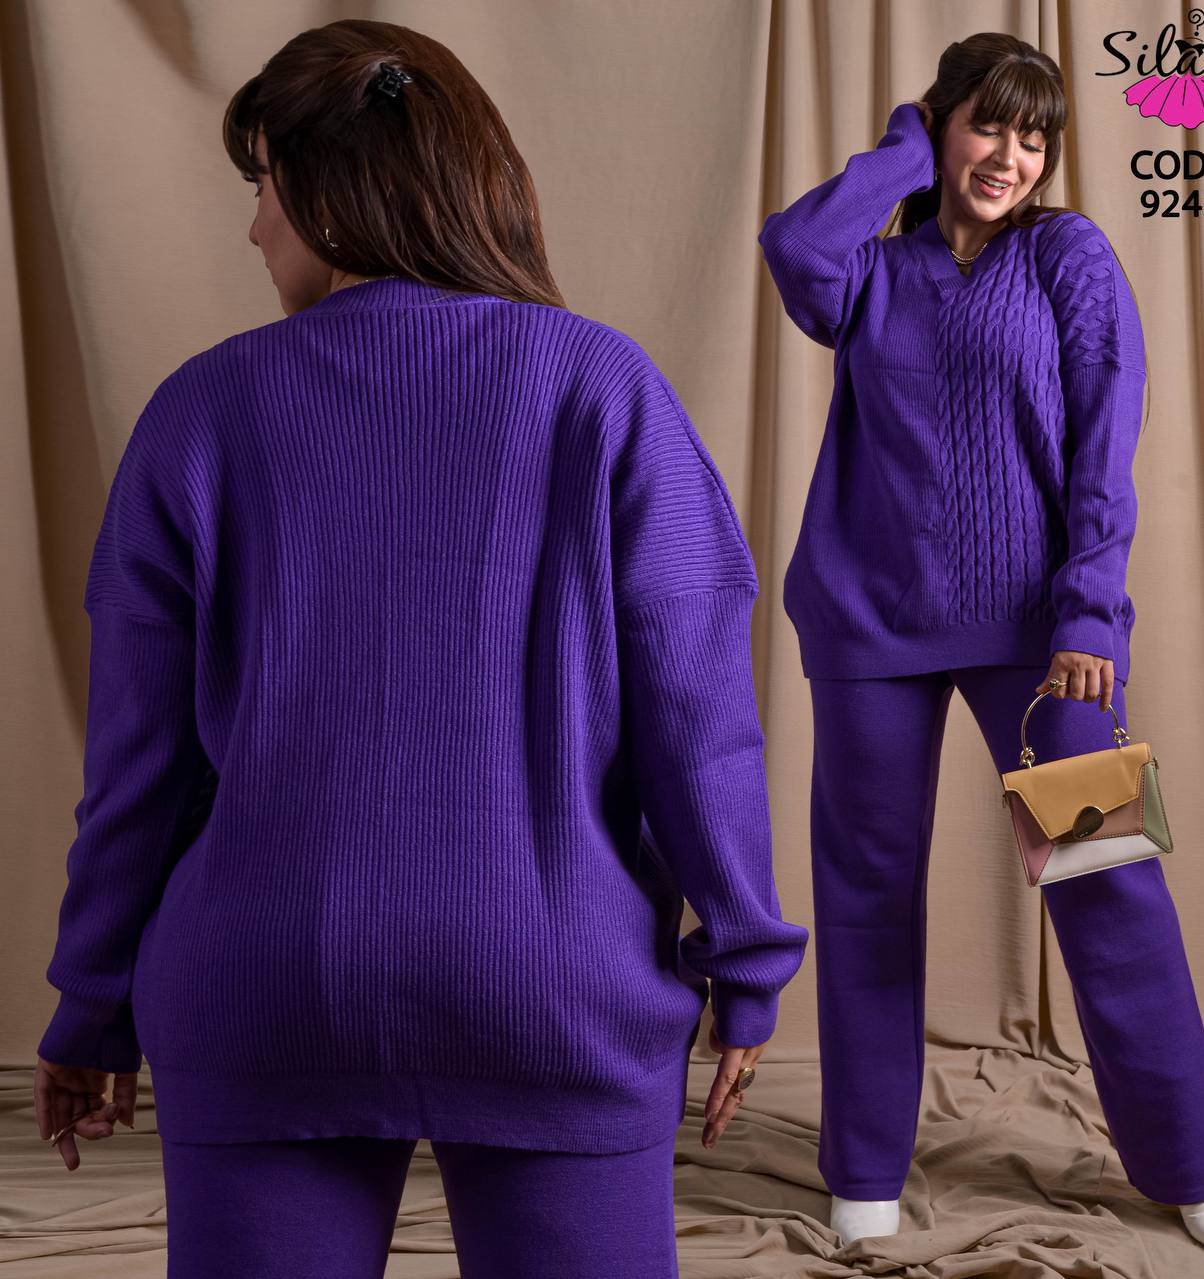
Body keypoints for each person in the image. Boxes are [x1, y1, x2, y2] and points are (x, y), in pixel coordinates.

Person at [32, 18, 808, 1278]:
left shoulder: (201, 411)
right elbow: (695, 721)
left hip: (264, 989)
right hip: (555, 990)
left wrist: (91, 1002)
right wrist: (746, 961)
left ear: (330, 195)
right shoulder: (602, 388)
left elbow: (140, 772)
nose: (253, 230)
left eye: (263, 188)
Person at [756, 32, 1204, 1258]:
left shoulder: (1064, 255)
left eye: (1034, 138)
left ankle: (1187, 1158)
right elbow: (793, 249)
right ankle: (863, 1161)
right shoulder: (871, 272)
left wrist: (1087, 610)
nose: (1010, 157)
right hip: (868, 626)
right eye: (986, 125)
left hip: (1040, 638)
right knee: (865, 888)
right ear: (938, 125)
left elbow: (1103, 438)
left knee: (1103, 877)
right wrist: (902, 153)